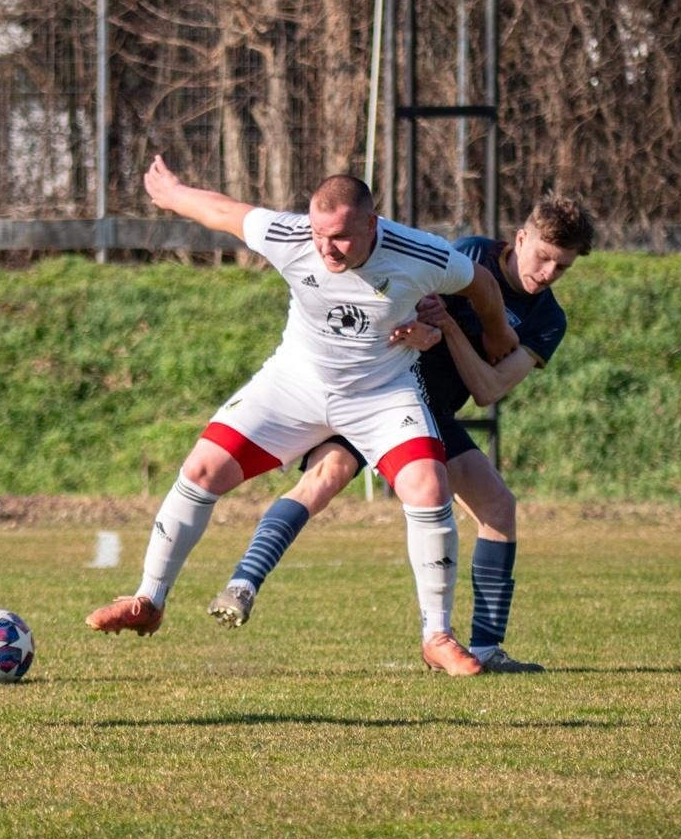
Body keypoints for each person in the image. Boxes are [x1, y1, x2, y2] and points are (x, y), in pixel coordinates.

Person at [85, 154, 520, 675]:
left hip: (381, 392)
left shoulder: (419, 252)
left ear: (371, 224)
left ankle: (437, 636)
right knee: (201, 470)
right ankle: (149, 601)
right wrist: (175, 193)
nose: (324, 247)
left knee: (427, 486)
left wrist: (497, 337)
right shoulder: (294, 238)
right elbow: (226, 212)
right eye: (317, 232)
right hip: (296, 382)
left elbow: (484, 286)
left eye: (339, 236)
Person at [206, 197, 593, 674]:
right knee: (325, 477)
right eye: (544, 256)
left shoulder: (548, 319)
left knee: (498, 508)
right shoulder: (469, 256)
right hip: (383, 390)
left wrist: (448, 327)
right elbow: (402, 298)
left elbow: (488, 388)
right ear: (520, 239)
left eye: (564, 265)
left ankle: (487, 648)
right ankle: (244, 583)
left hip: (434, 413)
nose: (550, 270)